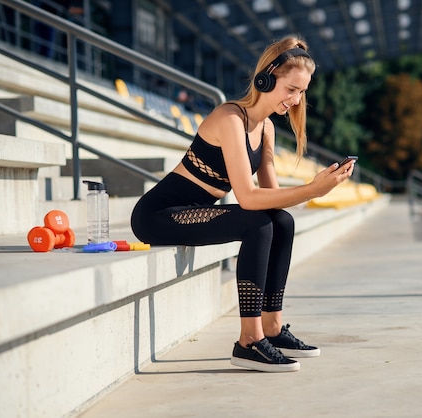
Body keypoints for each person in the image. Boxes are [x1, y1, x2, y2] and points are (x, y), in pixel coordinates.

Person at [130, 35, 356, 373]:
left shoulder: (265, 129)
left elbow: (273, 198)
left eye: (301, 93)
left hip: (197, 212)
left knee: (281, 222)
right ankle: (249, 340)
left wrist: (317, 187)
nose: (295, 101)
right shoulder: (229, 118)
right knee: (258, 223)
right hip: (159, 215)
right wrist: (312, 190)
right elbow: (248, 198)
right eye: (291, 89)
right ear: (266, 78)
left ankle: (273, 327)